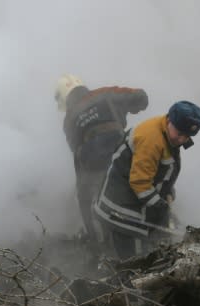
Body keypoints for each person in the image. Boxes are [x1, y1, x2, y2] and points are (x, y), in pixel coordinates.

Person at [94, 100, 200, 259]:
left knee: (153, 244)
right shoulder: (151, 140)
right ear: (169, 121)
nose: (182, 140)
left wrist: (167, 191)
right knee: (133, 259)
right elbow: (139, 181)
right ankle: (128, 279)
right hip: (121, 208)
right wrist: (160, 206)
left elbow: (158, 169)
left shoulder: (167, 133)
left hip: (134, 200)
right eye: (180, 134)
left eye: (187, 136)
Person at [55, 74, 149, 242]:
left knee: (87, 200)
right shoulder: (105, 93)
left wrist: (81, 188)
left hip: (92, 160)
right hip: (122, 149)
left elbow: (76, 151)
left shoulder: (68, 120)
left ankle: (98, 243)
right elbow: (140, 97)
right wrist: (133, 105)